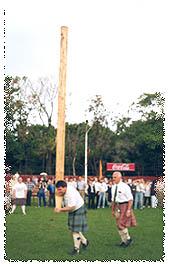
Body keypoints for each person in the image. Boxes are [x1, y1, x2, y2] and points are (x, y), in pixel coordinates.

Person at [54, 180, 89, 255]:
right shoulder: (64, 190)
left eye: (60, 189)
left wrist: (60, 209)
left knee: (75, 230)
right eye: (58, 189)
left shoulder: (70, 193)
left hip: (78, 208)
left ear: (65, 187)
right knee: (74, 229)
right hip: (73, 209)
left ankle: (76, 250)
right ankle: (85, 241)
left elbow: (72, 207)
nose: (58, 191)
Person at [111, 171, 137, 247]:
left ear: (120, 177)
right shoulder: (113, 187)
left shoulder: (125, 186)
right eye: (113, 177)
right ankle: (124, 241)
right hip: (117, 206)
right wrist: (113, 210)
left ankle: (128, 239)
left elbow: (130, 199)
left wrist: (128, 210)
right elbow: (113, 200)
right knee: (118, 225)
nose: (113, 179)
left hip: (125, 206)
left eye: (115, 177)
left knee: (121, 224)